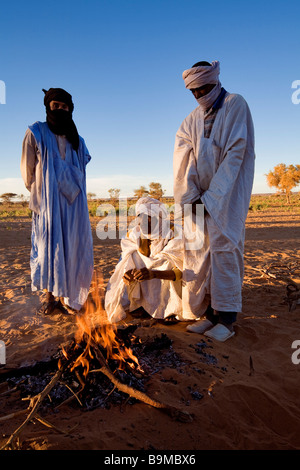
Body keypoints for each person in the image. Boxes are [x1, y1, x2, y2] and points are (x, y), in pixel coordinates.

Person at [173, 60, 255, 341]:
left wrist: (213, 198)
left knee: (225, 250)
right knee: (201, 254)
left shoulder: (235, 105)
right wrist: (192, 199)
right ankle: (209, 315)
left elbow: (236, 153)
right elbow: (184, 164)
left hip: (228, 196)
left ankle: (228, 320)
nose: (199, 95)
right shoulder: (190, 121)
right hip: (198, 200)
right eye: (194, 91)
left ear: (216, 80)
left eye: (204, 88)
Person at [21, 88, 94, 314]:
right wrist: (43, 192)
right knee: (49, 248)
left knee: (73, 247)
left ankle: (68, 298)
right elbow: (27, 170)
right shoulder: (36, 132)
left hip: (74, 207)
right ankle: (49, 297)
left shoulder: (77, 139)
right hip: (48, 205)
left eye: (65, 107)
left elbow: (83, 162)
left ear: (70, 109)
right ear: (48, 107)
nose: (61, 110)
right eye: (56, 106)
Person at [105, 197, 194, 323]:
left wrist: (153, 274)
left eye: (150, 218)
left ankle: (171, 309)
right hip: (145, 286)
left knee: (167, 261)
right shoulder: (133, 235)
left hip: (174, 282)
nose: (145, 223)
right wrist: (128, 274)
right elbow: (123, 265)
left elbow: (183, 271)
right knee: (133, 256)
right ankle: (142, 306)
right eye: (141, 218)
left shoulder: (176, 233)